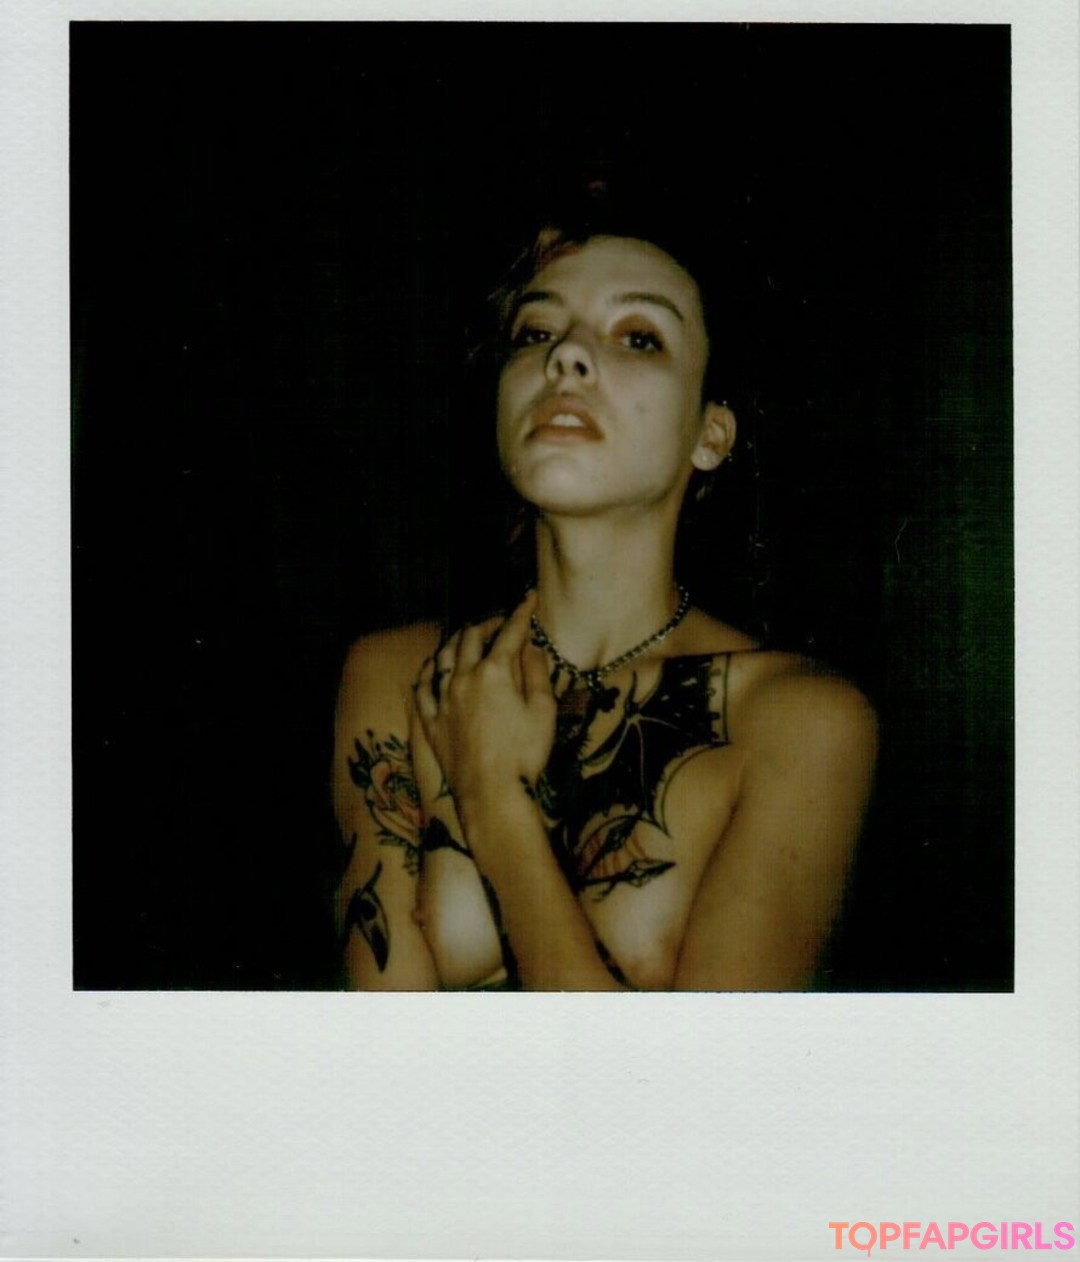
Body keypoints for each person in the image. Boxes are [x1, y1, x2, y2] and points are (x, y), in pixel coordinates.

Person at [331, 202, 877, 991]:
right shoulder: (396, 674)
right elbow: (384, 1047)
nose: (567, 359)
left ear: (711, 433)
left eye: (638, 337)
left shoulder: (799, 720)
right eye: (536, 332)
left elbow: (687, 1075)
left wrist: (492, 796)